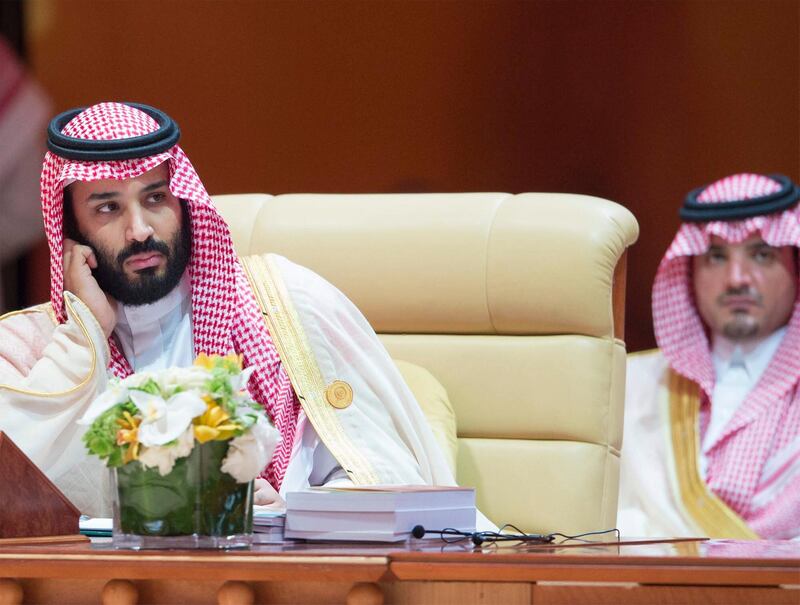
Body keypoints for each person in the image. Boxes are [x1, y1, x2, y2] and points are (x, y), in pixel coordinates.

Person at [0, 102, 455, 517]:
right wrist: (86, 336)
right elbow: (21, 497)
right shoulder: (32, 347)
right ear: (71, 231)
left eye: (155, 198)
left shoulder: (285, 305)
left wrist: (288, 507)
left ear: (183, 201)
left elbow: (383, 477)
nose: (139, 230)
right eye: (108, 208)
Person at [619, 172, 800, 540]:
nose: (737, 278)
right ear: (687, 271)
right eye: (716, 257)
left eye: (761, 255)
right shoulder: (630, 384)